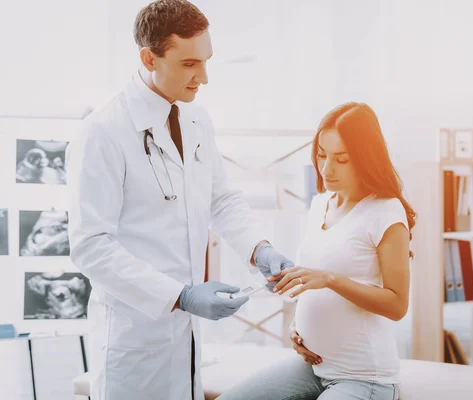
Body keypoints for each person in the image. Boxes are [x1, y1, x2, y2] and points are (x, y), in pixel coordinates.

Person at [66, 1, 293, 399]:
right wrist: (180, 295)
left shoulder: (196, 120)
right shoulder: (102, 132)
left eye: (206, 61)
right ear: (149, 58)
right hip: (135, 336)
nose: (203, 77)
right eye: (190, 64)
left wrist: (261, 250)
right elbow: (90, 248)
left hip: (184, 338)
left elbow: (221, 201)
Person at [218, 102, 416, 400]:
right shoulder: (321, 203)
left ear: (365, 159)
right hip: (313, 367)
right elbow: (314, 282)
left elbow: (397, 305)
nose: (326, 168)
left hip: (364, 377)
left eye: (341, 159)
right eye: (321, 155)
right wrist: (299, 329)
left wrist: (330, 279)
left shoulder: (386, 211)